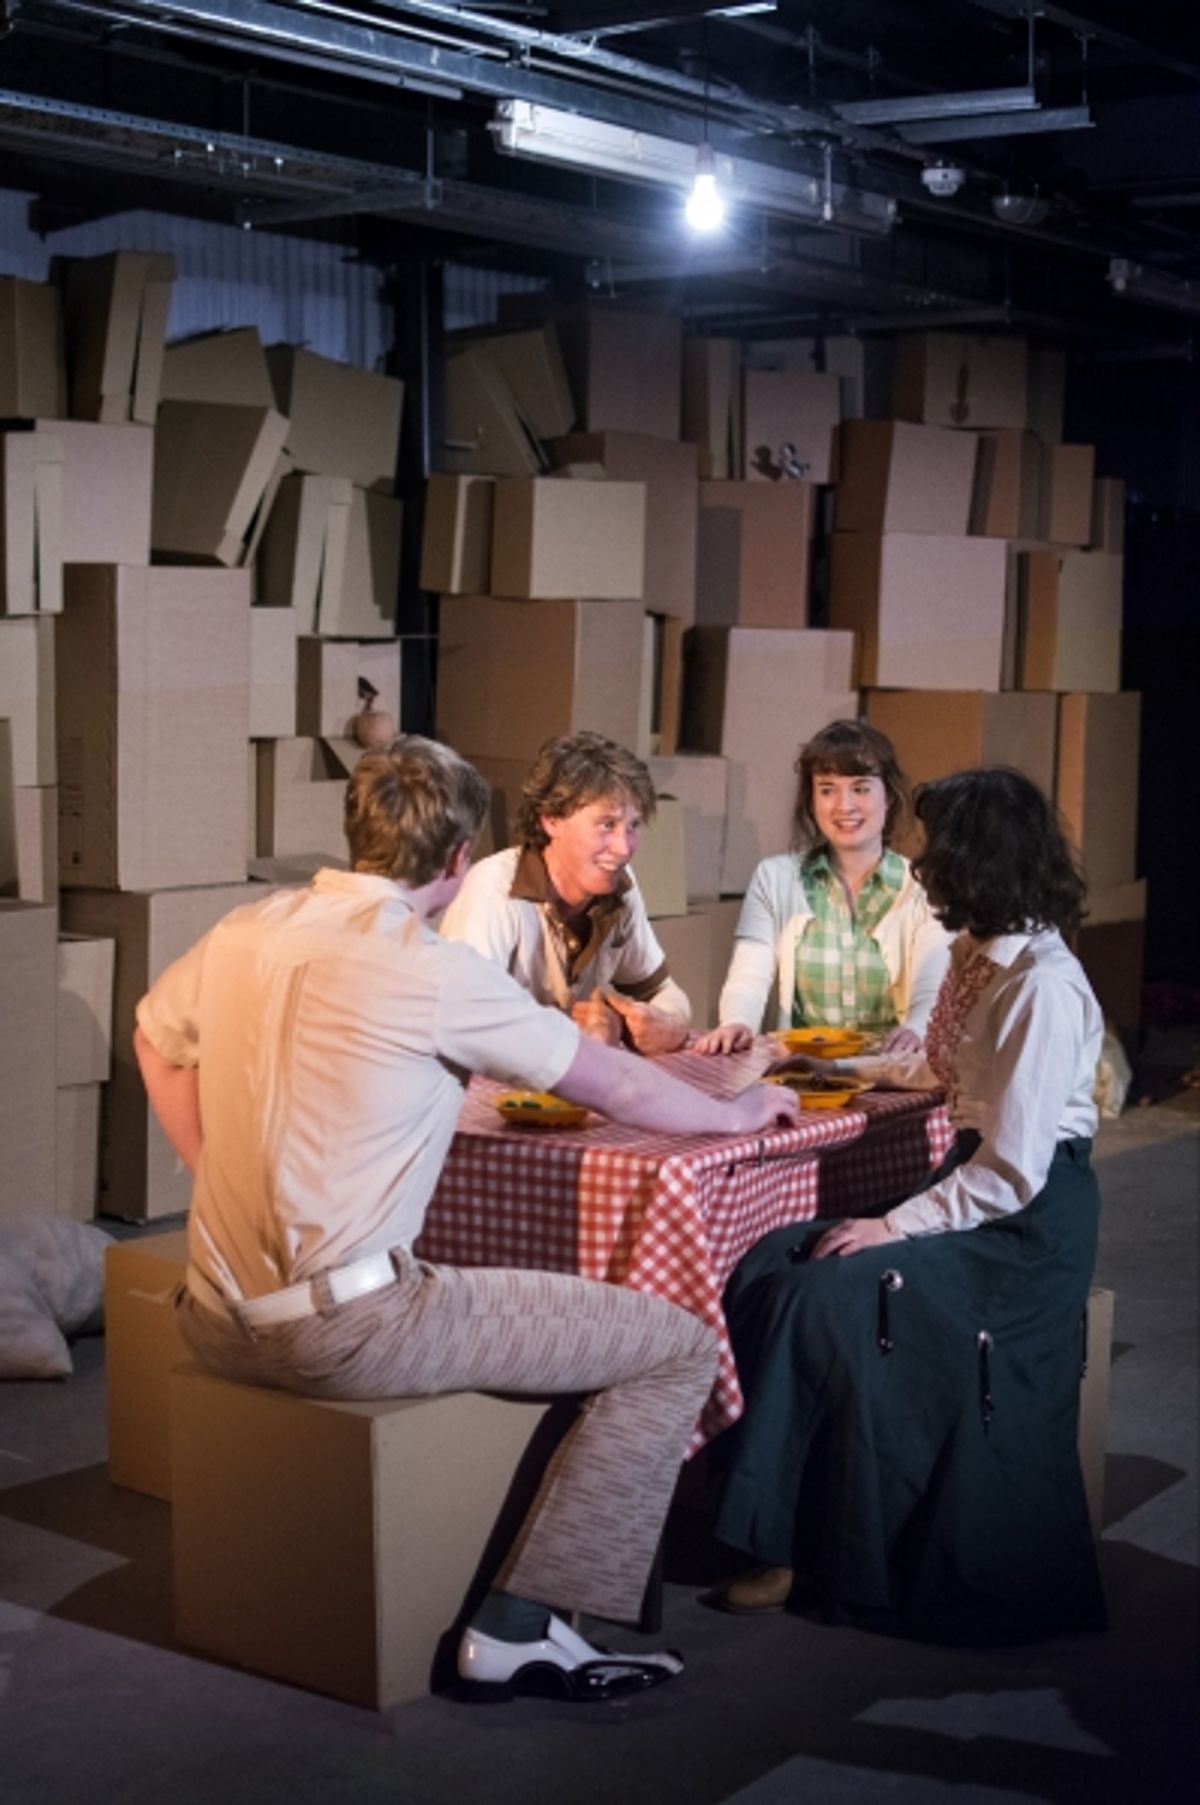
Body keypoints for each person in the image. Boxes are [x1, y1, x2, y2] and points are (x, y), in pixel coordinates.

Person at [134, 736, 798, 1703]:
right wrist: (736, 1112)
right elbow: (611, 1080)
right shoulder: (429, 968)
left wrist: (210, 1176)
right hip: (350, 1329)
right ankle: (520, 1628)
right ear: (456, 862)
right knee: (677, 1346)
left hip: (210, 1309)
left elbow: (157, 1041)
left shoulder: (247, 926)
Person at [705, 766, 1107, 1646]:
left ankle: (788, 1546)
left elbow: (1011, 1173)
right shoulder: (979, 956)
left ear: (982, 864)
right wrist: (829, 1071)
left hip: (1022, 1231)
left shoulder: (1042, 984)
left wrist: (893, 1224)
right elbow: (938, 1072)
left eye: (938, 852)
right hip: (973, 1189)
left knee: (829, 1288)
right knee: (773, 1259)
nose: (922, 868)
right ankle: (756, 1519)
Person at [694, 719, 950, 1057]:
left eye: (860, 788)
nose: (844, 806)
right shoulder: (773, 878)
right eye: (828, 789)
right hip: (802, 1075)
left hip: (891, 1074)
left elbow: (930, 987)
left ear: (889, 795)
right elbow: (749, 976)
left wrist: (917, 1029)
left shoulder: (925, 886)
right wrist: (737, 1022)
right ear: (811, 801)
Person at [440, 732, 690, 1056]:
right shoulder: (494, 892)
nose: (624, 847)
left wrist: (672, 1022)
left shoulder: (621, 884)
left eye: (632, 826)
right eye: (606, 824)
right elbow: (465, 1027)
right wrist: (579, 1035)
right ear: (551, 819)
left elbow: (662, 989)